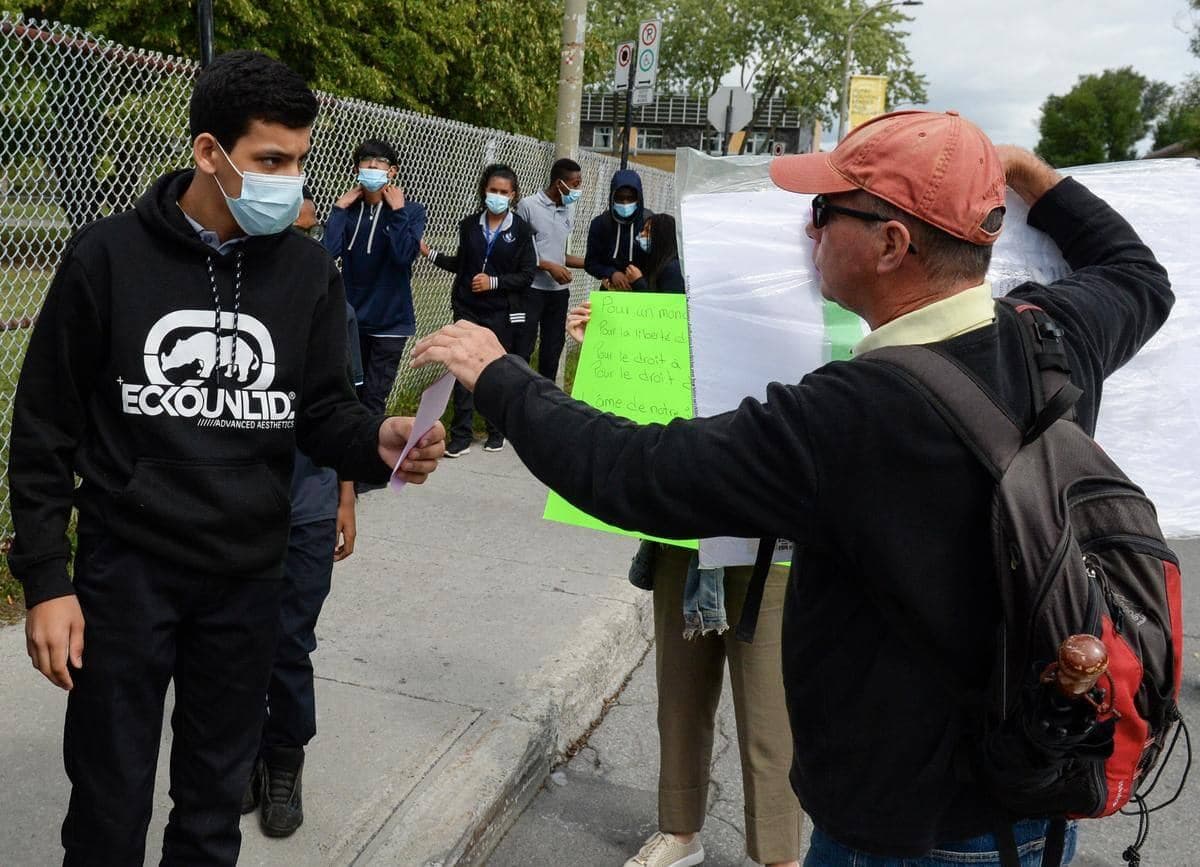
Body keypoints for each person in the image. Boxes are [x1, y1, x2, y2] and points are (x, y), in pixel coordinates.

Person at [412, 110, 1173, 865]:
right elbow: (1137, 275)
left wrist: (500, 374)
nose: (809, 232)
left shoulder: (852, 416)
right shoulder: (1051, 335)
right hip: (1035, 812)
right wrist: (1031, 175)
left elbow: (635, 472)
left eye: (824, 211)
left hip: (900, 839)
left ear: (891, 243)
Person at [9, 50, 444, 866]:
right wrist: (46, 581)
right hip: (125, 574)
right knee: (106, 806)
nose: (290, 181)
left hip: (246, 577)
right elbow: (43, 429)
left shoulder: (308, 273)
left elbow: (321, 413)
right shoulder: (106, 257)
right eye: (269, 160)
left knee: (211, 811)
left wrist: (377, 440)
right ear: (209, 152)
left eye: (300, 160)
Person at [567, 302, 802, 867]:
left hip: (768, 538)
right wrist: (605, 346)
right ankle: (679, 830)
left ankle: (780, 853)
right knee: (679, 692)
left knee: (769, 708)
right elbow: (642, 400)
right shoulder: (690, 288)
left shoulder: (802, 296)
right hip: (684, 529)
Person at [239, 213, 367, 839]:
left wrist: (345, 497)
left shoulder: (327, 297)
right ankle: (241, 753)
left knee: (290, 641)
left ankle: (284, 760)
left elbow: (343, 410)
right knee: (234, 638)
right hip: (235, 507)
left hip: (307, 504)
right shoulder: (222, 297)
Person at [419, 163, 536, 458]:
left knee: (495, 368)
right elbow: (461, 264)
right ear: (484, 190)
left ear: (513, 195)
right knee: (460, 368)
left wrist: (494, 282)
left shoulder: (522, 231)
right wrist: (430, 254)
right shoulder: (469, 225)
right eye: (493, 190)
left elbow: (527, 275)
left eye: (504, 192)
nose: (497, 196)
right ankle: (461, 434)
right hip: (468, 308)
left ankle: (496, 431)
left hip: (500, 311)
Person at [324, 139, 427, 414]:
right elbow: (327, 253)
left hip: (390, 322)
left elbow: (403, 256)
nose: (372, 166)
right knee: (349, 395)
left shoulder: (412, 211)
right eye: (366, 162)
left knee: (373, 400)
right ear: (356, 169)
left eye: (379, 162)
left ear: (392, 171)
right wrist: (338, 208)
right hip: (353, 320)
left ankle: (369, 443)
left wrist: (398, 211)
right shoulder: (348, 211)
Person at [513, 157, 585, 380]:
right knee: (523, 347)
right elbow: (517, 251)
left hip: (558, 294)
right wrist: (548, 266)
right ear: (559, 184)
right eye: (575, 184)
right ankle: (518, 393)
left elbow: (558, 252)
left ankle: (546, 395)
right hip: (531, 290)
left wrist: (590, 263)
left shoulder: (568, 209)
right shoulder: (528, 206)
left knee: (552, 351)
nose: (578, 190)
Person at [584, 168, 649, 290]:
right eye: (619, 198)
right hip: (611, 290)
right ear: (612, 198)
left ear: (638, 198)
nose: (625, 203)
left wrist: (640, 280)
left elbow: (660, 260)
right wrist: (611, 273)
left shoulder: (649, 223)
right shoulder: (600, 223)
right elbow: (590, 263)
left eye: (630, 198)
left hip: (644, 290)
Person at [626, 213, 684, 293]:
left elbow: (667, 301)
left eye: (647, 231)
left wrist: (638, 282)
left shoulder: (673, 269)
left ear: (661, 236)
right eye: (643, 230)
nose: (642, 234)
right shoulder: (653, 261)